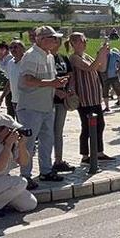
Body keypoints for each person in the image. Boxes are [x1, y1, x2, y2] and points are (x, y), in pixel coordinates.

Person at [18, 26, 68, 189]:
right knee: (29, 142)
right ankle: (25, 175)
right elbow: (27, 80)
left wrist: (58, 89)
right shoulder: (32, 56)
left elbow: (47, 81)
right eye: (52, 38)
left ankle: (46, 171)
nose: (55, 41)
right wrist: (52, 84)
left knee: (48, 139)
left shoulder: (48, 56)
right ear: (41, 39)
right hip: (31, 106)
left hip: (46, 106)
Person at [68, 33, 116, 163]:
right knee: (87, 127)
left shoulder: (86, 56)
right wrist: (100, 54)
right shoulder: (74, 58)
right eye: (81, 41)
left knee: (100, 125)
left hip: (94, 97)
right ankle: (85, 155)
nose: (84, 43)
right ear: (73, 43)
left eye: (85, 40)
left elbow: (101, 68)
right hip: (84, 98)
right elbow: (90, 68)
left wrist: (105, 54)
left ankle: (99, 152)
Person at [50, 35, 76, 173]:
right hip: (49, 100)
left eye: (59, 40)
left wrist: (70, 88)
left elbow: (70, 75)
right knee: (47, 132)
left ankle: (58, 160)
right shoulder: (46, 58)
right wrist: (55, 91)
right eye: (55, 40)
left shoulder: (63, 57)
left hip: (62, 99)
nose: (57, 42)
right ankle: (46, 164)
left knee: (58, 131)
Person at [0, 40, 26, 118]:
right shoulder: (10, 63)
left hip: (27, 101)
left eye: (15, 47)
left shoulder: (28, 62)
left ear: (23, 49)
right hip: (15, 100)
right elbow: (10, 81)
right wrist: (1, 97)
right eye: (11, 48)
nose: (13, 50)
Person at [102, 47, 120, 112]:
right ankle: (107, 107)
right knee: (105, 92)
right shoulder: (102, 55)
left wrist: (119, 69)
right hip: (105, 76)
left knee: (118, 91)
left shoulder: (114, 54)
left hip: (113, 75)